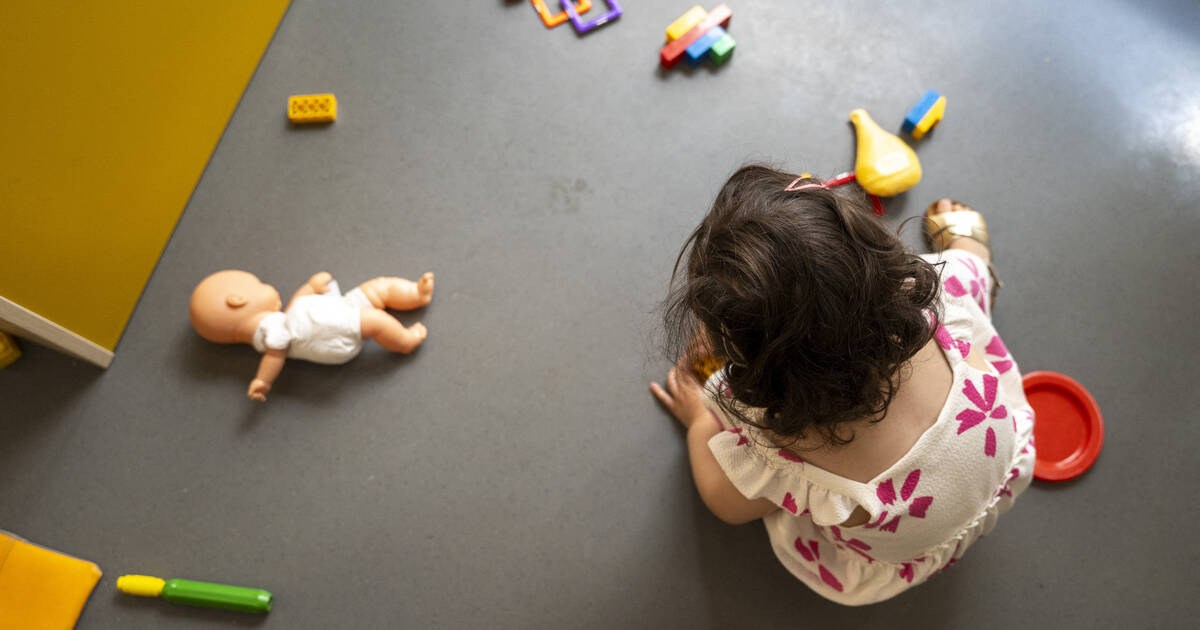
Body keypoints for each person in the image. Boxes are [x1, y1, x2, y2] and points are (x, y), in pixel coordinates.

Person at [650, 165, 1034, 605]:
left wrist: (700, 420)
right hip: (1003, 466)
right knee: (964, 274)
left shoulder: (786, 450)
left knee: (777, 476)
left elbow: (726, 503)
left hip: (901, 546)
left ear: (760, 375)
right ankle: (975, 250)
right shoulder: (935, 292)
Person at [190, 270, 433, 401]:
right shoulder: (267, 333)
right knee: (377, 321)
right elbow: (275, 355)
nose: (269, 287)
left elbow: (292, 312)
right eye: (260, 284)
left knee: (378, 287)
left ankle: (415, 294)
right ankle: (404, 341)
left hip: (336, 311)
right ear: (237, 301)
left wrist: (309, 288)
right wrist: (263, 381)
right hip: (331, 335)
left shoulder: (277, 322)